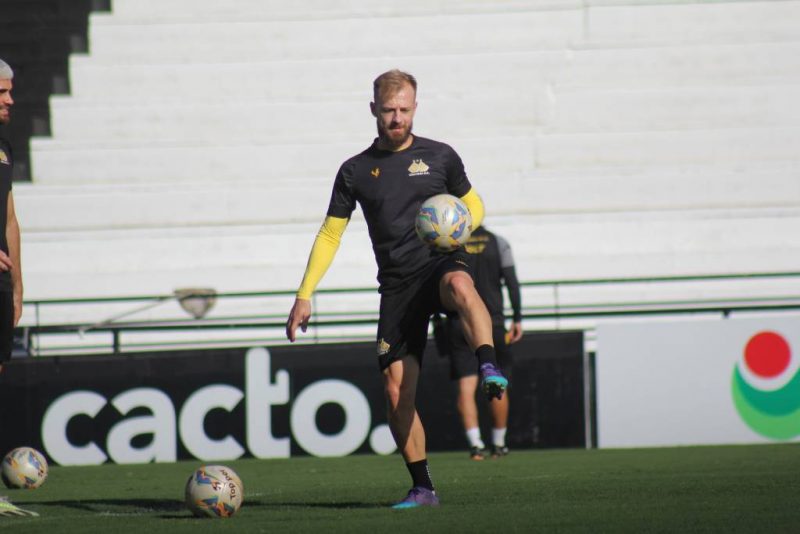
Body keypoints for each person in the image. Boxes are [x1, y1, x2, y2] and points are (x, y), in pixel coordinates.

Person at [285, 69, 508, 509]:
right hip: (398, 285)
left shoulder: (441, 156)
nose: (396, 118)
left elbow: (475, 203)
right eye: (388, 110)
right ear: (373, 110)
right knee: (395, 392)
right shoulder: (354, 171)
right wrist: (305, 293)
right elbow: (331, 234)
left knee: (461, 282)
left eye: (404, 110)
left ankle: (487, 365)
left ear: (415, 108)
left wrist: (463, 226)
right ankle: (423, 487)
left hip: (439, 263)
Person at [433, 226, 523, 460]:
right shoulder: (498, 242)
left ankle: (475, 446)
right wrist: (517, 318)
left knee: (466, 388)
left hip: (457, 322)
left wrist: (436, 322)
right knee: (496, 381)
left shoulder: (448, 242)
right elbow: (512, 282)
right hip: (491, 322)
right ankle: (499, 444)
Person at [0, 59, 23, 375]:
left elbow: (10, 219)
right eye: (1, 92)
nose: (9, 101)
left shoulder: (3, 148)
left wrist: (18, 286)